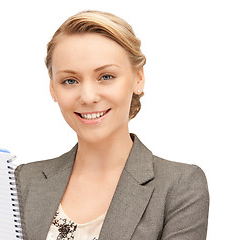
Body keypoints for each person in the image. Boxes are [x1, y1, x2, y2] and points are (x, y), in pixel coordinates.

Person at [14, 10, 209, 240]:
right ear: (53, 89)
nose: (87, 96)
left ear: (138, 78)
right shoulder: (23, 182)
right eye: (70, 80)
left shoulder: (180, 187)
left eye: (106, 76)